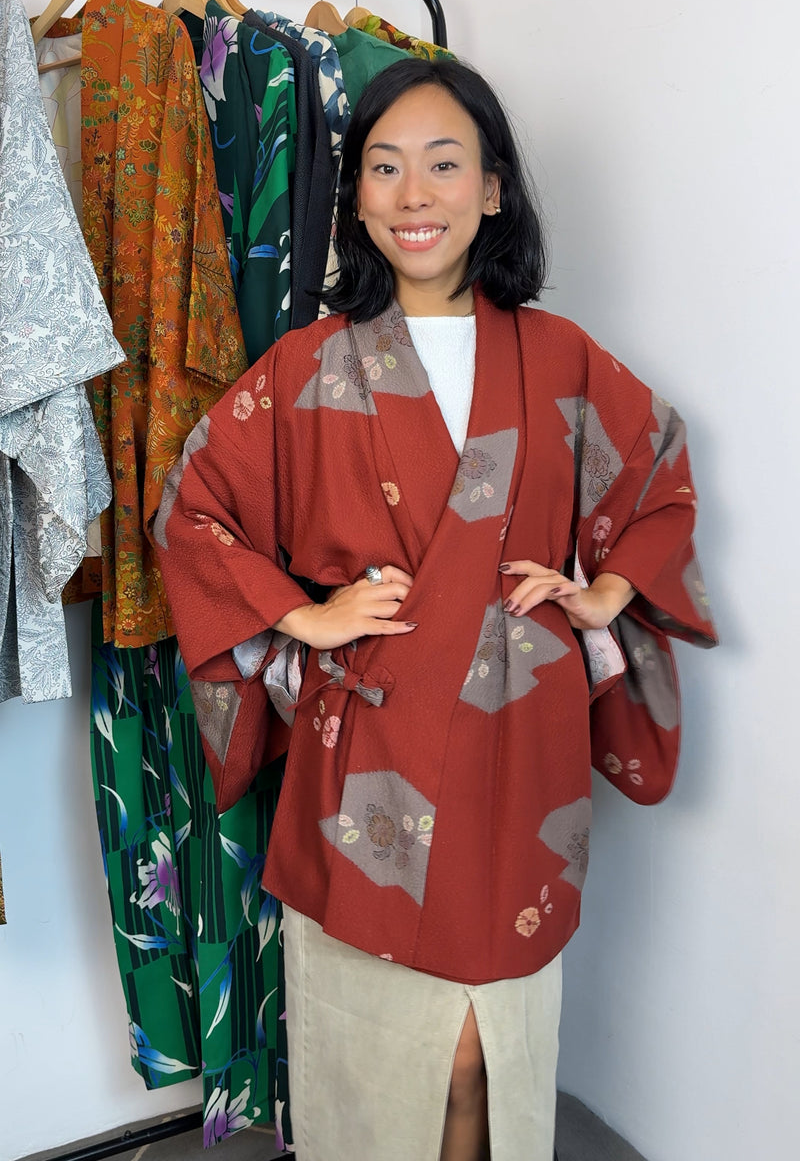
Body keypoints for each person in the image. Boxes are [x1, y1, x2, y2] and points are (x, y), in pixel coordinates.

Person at [154, 58, 716, 1161]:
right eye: (384, 167)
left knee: (483, 1054)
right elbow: (195, 508)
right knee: (384, 1062)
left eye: (443, 164)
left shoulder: (560, 360)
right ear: (355, 198)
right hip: (369, 752)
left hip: (519, 754)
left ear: (492, 189)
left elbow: (654, 472)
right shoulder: (310, 367)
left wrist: (603, 591)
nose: (415, 193)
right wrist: (304, 614)